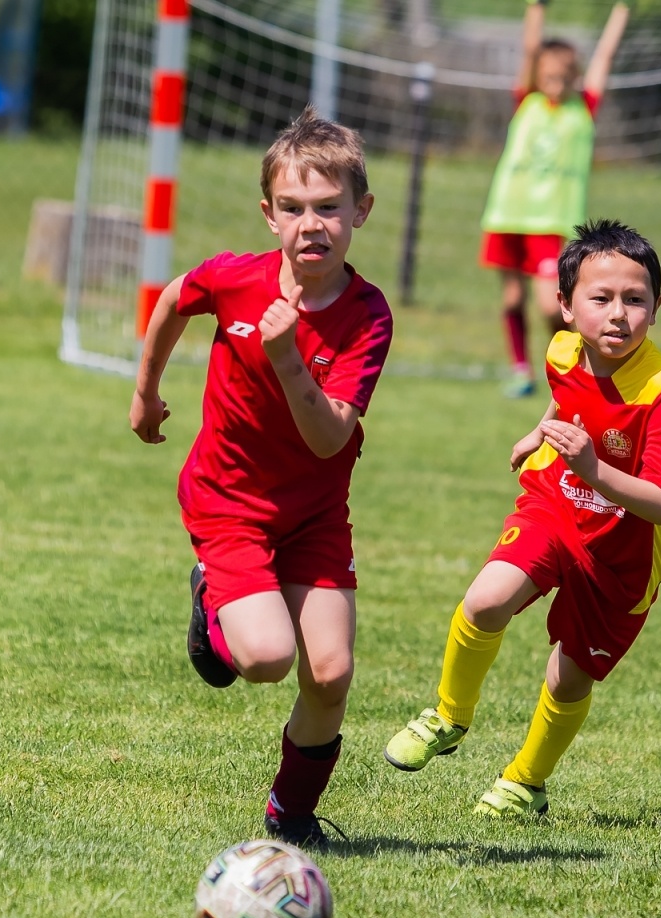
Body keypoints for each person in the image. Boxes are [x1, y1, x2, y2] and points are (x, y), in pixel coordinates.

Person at [129, 107, 392, 847]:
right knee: (268, 659)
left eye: (329, 207)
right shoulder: (236, 279)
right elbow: (175, 297)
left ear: (361, 211)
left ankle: (291, 815)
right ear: (269, 214)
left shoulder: (368, 315)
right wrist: (146, 392)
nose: (312, 225)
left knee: (331, 672)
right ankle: (212, 596)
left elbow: (328, 437)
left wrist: (287, 358)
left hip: (314, 512)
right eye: (294, 208)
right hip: (230, 503)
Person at [383, 219, 661, 817]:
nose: (618, 315)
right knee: (485, 601)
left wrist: (595, 469)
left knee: (569, 677)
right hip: (555, 503)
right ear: (566, 306)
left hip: (621, 554)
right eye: (600, 298)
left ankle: (526, 781)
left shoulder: (660, 391)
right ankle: (448, 716)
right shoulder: (563, 350)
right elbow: (566, 395)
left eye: (635, 300)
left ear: (656, 308)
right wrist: (539, 431)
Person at [481, 0, 631, 398]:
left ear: (574, 77)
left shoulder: (583, 110)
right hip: (508, 214)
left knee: (552, 306)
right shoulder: (527, 101)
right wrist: (536, 8)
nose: (555, 83)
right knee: (512, 299)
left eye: (563, 77)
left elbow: (604, 55)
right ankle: (520, 370)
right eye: (548, 76)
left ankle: (568, 368)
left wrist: (622, 10)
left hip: (550, 221)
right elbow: (531, 48)